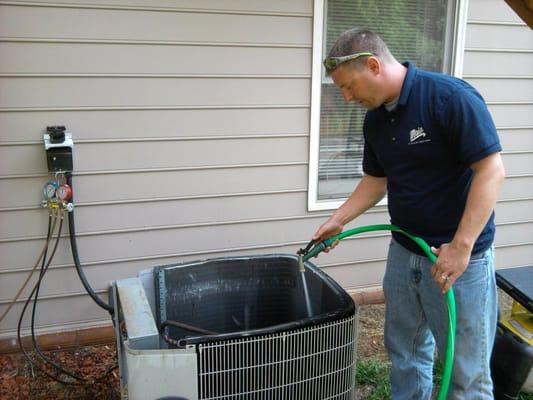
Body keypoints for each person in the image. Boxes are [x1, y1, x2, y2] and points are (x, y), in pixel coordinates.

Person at [313, 29, 505, 399]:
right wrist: (339, 218)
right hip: (404, 254)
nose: (348, 97)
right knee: (406, 354)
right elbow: (376, 181)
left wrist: (461, 247)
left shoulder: (449, 99)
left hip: (456, 260)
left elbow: (492, 171)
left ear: (373, 65)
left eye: (349, 87)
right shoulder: (375, 120)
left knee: (467, 372)